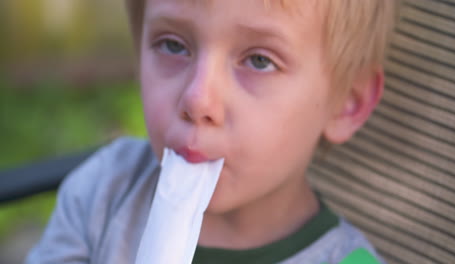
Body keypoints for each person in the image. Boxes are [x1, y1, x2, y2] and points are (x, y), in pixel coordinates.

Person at [26, 0, 397, 263]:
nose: (198, 100)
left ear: (347, 102)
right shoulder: (104, 192)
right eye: (173, 45)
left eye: (259, 60)